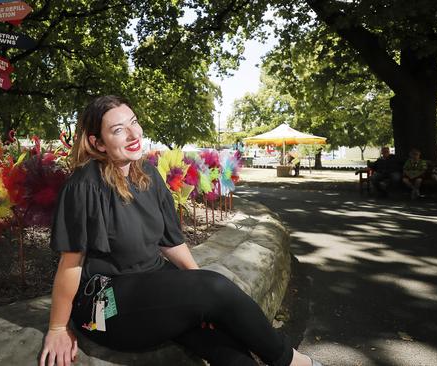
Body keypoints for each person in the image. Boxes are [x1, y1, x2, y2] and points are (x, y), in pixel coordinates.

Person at [39, 95, 322, 366]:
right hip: (105, 301)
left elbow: (170, 242)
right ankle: (291, 360)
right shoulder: (84, 185)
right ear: (98, 143)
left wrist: (200, 293)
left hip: (153, 285)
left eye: (133, 122)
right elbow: (71, 264)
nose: (133, 134)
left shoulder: (148, 174)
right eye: (118, 130)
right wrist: (57, 327)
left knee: (226, 343)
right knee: (215, 287)